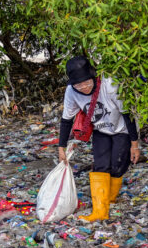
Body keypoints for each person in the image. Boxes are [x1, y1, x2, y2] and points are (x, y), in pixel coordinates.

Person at [58, 56, 140, 222]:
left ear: (94, 77)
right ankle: (100, 211)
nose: (83, 88)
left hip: (122, 128)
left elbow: (128, 115)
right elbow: (66, 119)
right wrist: (61, 147)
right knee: (100, 166)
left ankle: (110, 198)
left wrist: (134, 145)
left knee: (118, 165)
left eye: (87, 82)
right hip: (100, 130)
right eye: (78, 85)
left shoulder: (110, 85)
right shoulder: (71, 92)